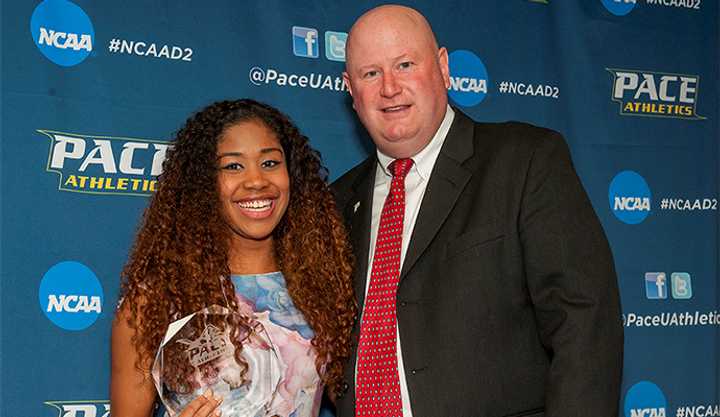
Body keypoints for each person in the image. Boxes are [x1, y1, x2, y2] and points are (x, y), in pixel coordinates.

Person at [332, 5, 623, 417]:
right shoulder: (336, 202)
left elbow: (584, 323)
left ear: (443, 67)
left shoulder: (524, 161)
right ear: (350, 88)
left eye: (405, 64)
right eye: (370, 73)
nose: (390, 87)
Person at [111, 99, 356, 417]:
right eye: (233, 166)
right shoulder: (152, 301)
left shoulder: (323, 290)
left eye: (270, 163)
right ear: (203, 183)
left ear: (291, 174)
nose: (256, 180)